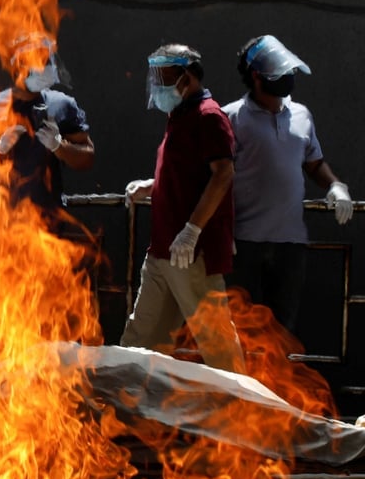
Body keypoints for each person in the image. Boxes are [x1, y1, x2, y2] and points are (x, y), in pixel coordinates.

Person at [120, 44, 246, 374]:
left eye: (162, 80)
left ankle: (243, 416)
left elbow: (223, 174)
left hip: (191, 255)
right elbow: (189, 173)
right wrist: (153, 186)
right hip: (162, 250)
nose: (156, 88)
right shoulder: (179, 116)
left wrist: (192, 231)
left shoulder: (209, 117)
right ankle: (126, 408)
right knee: (141, 336)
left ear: (185, 79)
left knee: (216, 342)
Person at [223, 35, 354, 333]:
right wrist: (221, 229)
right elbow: (217, 176)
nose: (287, 78)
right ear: (257, 77)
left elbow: (314, 163)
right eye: (279, 73)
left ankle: (272, 383)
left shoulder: (301, 115)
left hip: (289, 244)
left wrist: (335, 185)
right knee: (240, 329)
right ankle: (238, 382)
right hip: (244, 244)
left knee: (281, 330)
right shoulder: (230, 117)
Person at [0, 32, 94, 226]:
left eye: (47, 60)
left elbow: (87, 158)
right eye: (38, 61)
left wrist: (58, 145)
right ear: (17, 66)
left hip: (47, 223)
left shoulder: (62, 105)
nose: (45, 67)